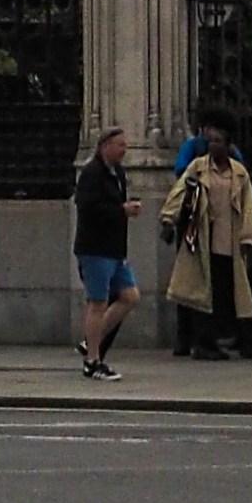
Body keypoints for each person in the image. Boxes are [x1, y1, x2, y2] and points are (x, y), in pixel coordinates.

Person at [160, 114, 252, 357]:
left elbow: (247, 206)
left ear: (228, 145)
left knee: (227, 289)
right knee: (202, 289)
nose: (214, 145)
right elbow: (180, 190)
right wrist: (168, 219)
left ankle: (227, 337)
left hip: (229, 237)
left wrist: (248, 237)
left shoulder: (239, 173)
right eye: (211, 141)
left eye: (219, 141)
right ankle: (202, 341)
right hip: (202, 234)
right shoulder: (198, 166)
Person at [71, 124, 138, 381]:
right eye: (120, 145)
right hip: (94, 248)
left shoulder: (117, 173)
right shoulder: (92, 173)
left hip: (114, 249)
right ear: (105, 146)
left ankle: (92, 340)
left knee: (130, 296)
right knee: (97, 303)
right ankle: (93, 360)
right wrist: (121, 210)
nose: (124, 150)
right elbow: (88, 208)